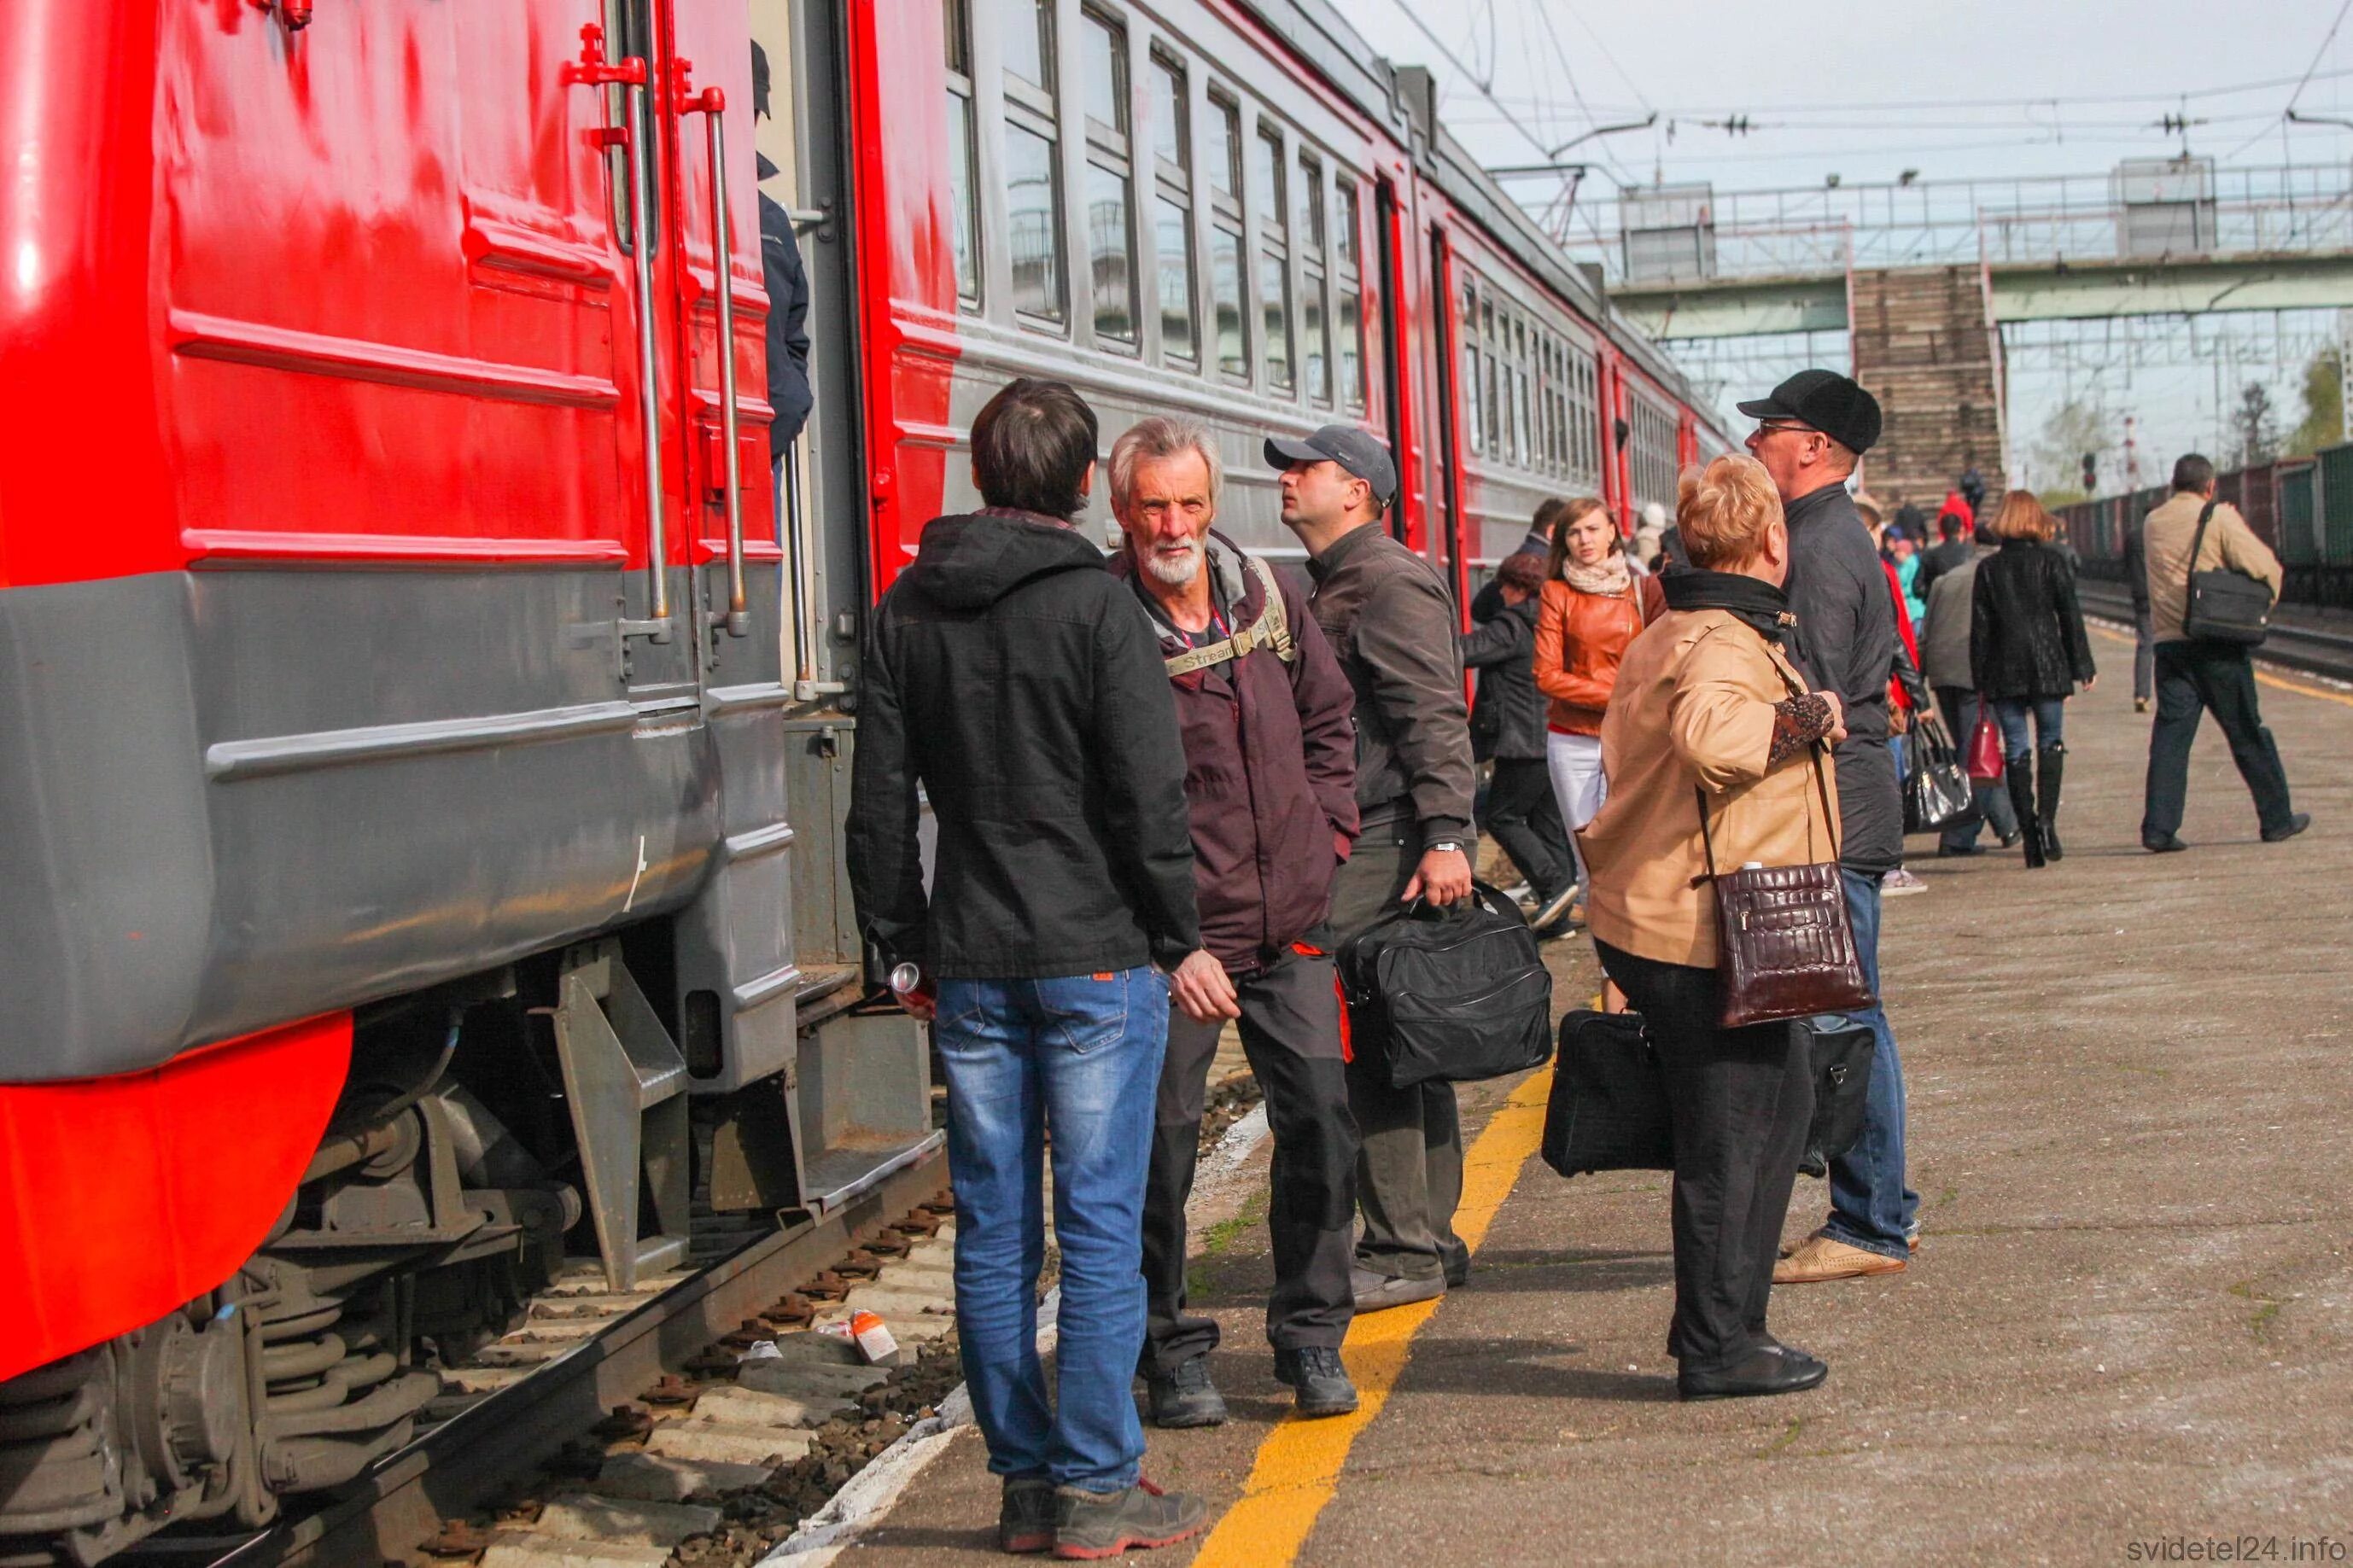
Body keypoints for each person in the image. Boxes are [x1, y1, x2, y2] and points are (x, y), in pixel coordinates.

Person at [845, 379, 1211, 1558]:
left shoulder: (909, 606)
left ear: (985, 470)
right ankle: (1097, 1483)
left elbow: (878, 801)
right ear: (1079, 481)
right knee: (1099, 1227)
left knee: (994, 1228)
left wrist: (902, 945)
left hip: (974, 963)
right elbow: (1152, 799)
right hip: (1099, 956)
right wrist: (1178, 931)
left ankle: (1024, 1484)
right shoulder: (1098, 612)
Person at [1104, 417, 1365, 1431]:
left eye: (1188, 503)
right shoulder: (1104, 615)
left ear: (1213, 506)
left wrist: (1329, 835)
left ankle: (1309, 1337)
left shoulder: (1270, 593)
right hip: (1172, 944)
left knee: (1320, 1129)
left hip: (1286, 922)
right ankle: (1167, 1349)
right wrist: (1169, 943)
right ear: (1120, 511)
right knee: (1158, 1145)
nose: (1172, 524)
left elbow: (1327, 721)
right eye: (1151, 506)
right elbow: (1099, 797)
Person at [1580, 452, 1842, 1402]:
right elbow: (1716, 740)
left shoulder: (1673, 622)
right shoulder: (1725, 638)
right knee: (1733, 1137)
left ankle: (1725, 1324)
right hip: (1705, 928)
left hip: (1670, 910)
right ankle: (1718, 1345)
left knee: (1768, 1115)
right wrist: (1814, 712)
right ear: (1771, 539)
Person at [1274, 423, 1478, 1313]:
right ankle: (1427, 1232)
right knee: (1405, 1040)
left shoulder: (1383, 580)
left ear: (1354, 489)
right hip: (1383, 830)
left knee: (1371, 1048)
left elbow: (1432, 714)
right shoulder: (1343, 577)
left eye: (1304, 469)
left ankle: (1401, 1249)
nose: (1285, 481)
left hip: (1384, 837)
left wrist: (1446, 834)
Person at [1737, 369, 1918, 1285]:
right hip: (1847, 804)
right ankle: (1879, 1209)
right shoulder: (1831, 533)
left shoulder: (1815, 544)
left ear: (1810, 446)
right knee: (1853, 1014)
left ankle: (1867, 1222)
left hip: (1832, 809)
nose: (1752, 443)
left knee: (1846, 1017)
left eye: (1766, 429)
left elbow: (1808, 695)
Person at [2139, 454, 2310, 853]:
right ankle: (2276, 819)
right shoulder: (2218, 517)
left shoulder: (2152, 523)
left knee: (2170, 739)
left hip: (2169, 647)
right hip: (2216, 646)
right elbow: (2267, 568)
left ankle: (2158, 828)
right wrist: (2260, 608)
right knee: (2247, 731)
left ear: (2172, 485)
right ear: (2210, 486)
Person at [1533, 497, 1666, 908]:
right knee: (1590, 862)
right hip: (1573, 740)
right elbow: (1546, 674)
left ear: (1612, 531)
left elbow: (1663, 659)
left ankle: (1639, 960)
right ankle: (1611, 969)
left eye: (1592, 529)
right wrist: (1619, 697)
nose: (1584, 540)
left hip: (1632, 740)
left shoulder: (1643, 590)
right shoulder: (1557, 593)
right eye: (1574, 532)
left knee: (1637, 856)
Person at [1970, 491, 2097, 868]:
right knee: (2051, 743)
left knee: (2018, 748)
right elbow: (2070, 617)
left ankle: (2028, 836)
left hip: (2004, 669)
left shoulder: (1988, 569)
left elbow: (1980, 630)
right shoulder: (2052, 562)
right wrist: (2083, 666)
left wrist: (1980, 680)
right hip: (2048, 665)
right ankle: (2047, 824)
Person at [1464, 550, 1580, 934]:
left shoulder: (1512, 625)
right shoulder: (1547, 620)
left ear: (1514, 588)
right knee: (1546, 823)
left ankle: (1553, 885)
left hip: (1522, 741)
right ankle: (1559, 914)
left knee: (1502, 816)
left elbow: (1464, 651)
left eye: (1502, 585)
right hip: (1548, 736)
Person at [1920, 524, 2021, 857]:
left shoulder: (1945, 579)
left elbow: (1927, 630)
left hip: (1942, 672)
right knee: (1978, 755)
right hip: (1976, 674)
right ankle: (1958, 838)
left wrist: (1917, 687)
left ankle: (2008, 826)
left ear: (1974, 542)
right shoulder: (2000, 575)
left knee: (1976, 751)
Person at [750, 44, 812, 457]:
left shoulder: (771, 221)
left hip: (762, 437)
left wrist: (790, 402)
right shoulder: (771, 222)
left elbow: (793, 336)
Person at [2120, 502, 2156, 714]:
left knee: (2145, 645)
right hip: (2162, 595)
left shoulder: (2132, 537)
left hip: (2141, 596)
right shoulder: (2161, 536)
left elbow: (2125, 567)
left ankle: (2141, 694)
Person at [1914, 510, 1974, 607]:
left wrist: (1934, 593)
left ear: (1941, 530)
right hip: (1966, 608)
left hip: (1940, 607)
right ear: (1960, 529)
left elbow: (1917, 588)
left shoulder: (1931, 555)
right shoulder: (1971, 553)